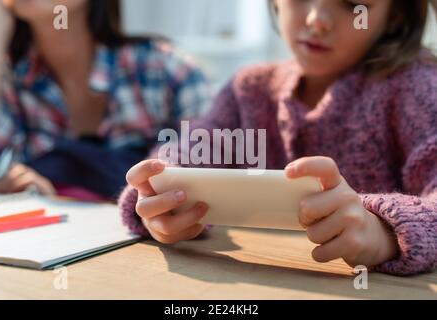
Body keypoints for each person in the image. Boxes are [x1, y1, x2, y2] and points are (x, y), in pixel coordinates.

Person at [120, 0, 437, 276]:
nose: (317, 20)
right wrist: (158, 194)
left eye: (353, 3)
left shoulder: (420, 89)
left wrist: (385, 233)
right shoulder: (250, 88)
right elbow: (191, 150)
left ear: (396, 14)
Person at [0, 0, 210, 200]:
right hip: (60, 239)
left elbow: (207, 174)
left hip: (155, 241)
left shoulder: (168, 70)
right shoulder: (6, 79)